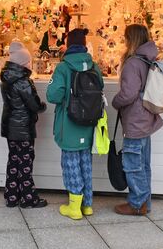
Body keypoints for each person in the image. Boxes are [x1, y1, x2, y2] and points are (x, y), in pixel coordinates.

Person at [47, 28, 103, 220]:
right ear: (85, 44)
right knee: (85, 163)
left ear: (68, 45)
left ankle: (74, 207)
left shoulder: (63, 67)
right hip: (89, 124)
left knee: (70, 165)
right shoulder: (94, 66)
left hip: (69, 123)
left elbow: (53, 95)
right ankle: (87, 205)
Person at [112, 24, 163, 216]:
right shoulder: (148, 59)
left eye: (125, 37)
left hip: (135, 120)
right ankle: (145, 203)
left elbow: (128, 94)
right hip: (146, 118)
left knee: (133, 165)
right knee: (143, 164)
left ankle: (136, 204)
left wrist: (115, 102)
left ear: (130, 39)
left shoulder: (133, 63)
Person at [0, 41, 47, 208]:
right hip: (23, 128)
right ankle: (28, 198)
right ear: (22, 63)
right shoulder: (23, 81)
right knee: (25, 162)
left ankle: (12, 196)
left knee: (13, 160)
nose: (30, 64)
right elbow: (34, 105)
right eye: (28, 62)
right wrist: (42, 106)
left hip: (10, 126)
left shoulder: (6, 78)